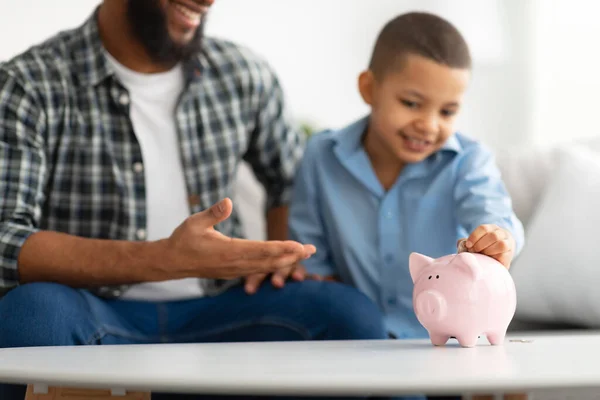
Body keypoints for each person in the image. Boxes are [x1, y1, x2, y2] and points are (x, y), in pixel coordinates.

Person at [0, 0, 388, 398]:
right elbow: (6, 239)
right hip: (93, 308)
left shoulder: (242, 72)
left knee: (349, 314)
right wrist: (164, 259)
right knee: (29, 315)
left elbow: (290, 181)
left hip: (223, 306)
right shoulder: (28, 84)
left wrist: (275, 260)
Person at [287, 12, 526, 400]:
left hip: (443, 350)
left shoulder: (468, 161)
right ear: (369, 88)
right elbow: (311, 260)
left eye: (447, 111)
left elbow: (493, 215)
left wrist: (498, 238)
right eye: (412, 103)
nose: (429, 125)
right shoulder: (321, 156)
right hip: (353, 347)